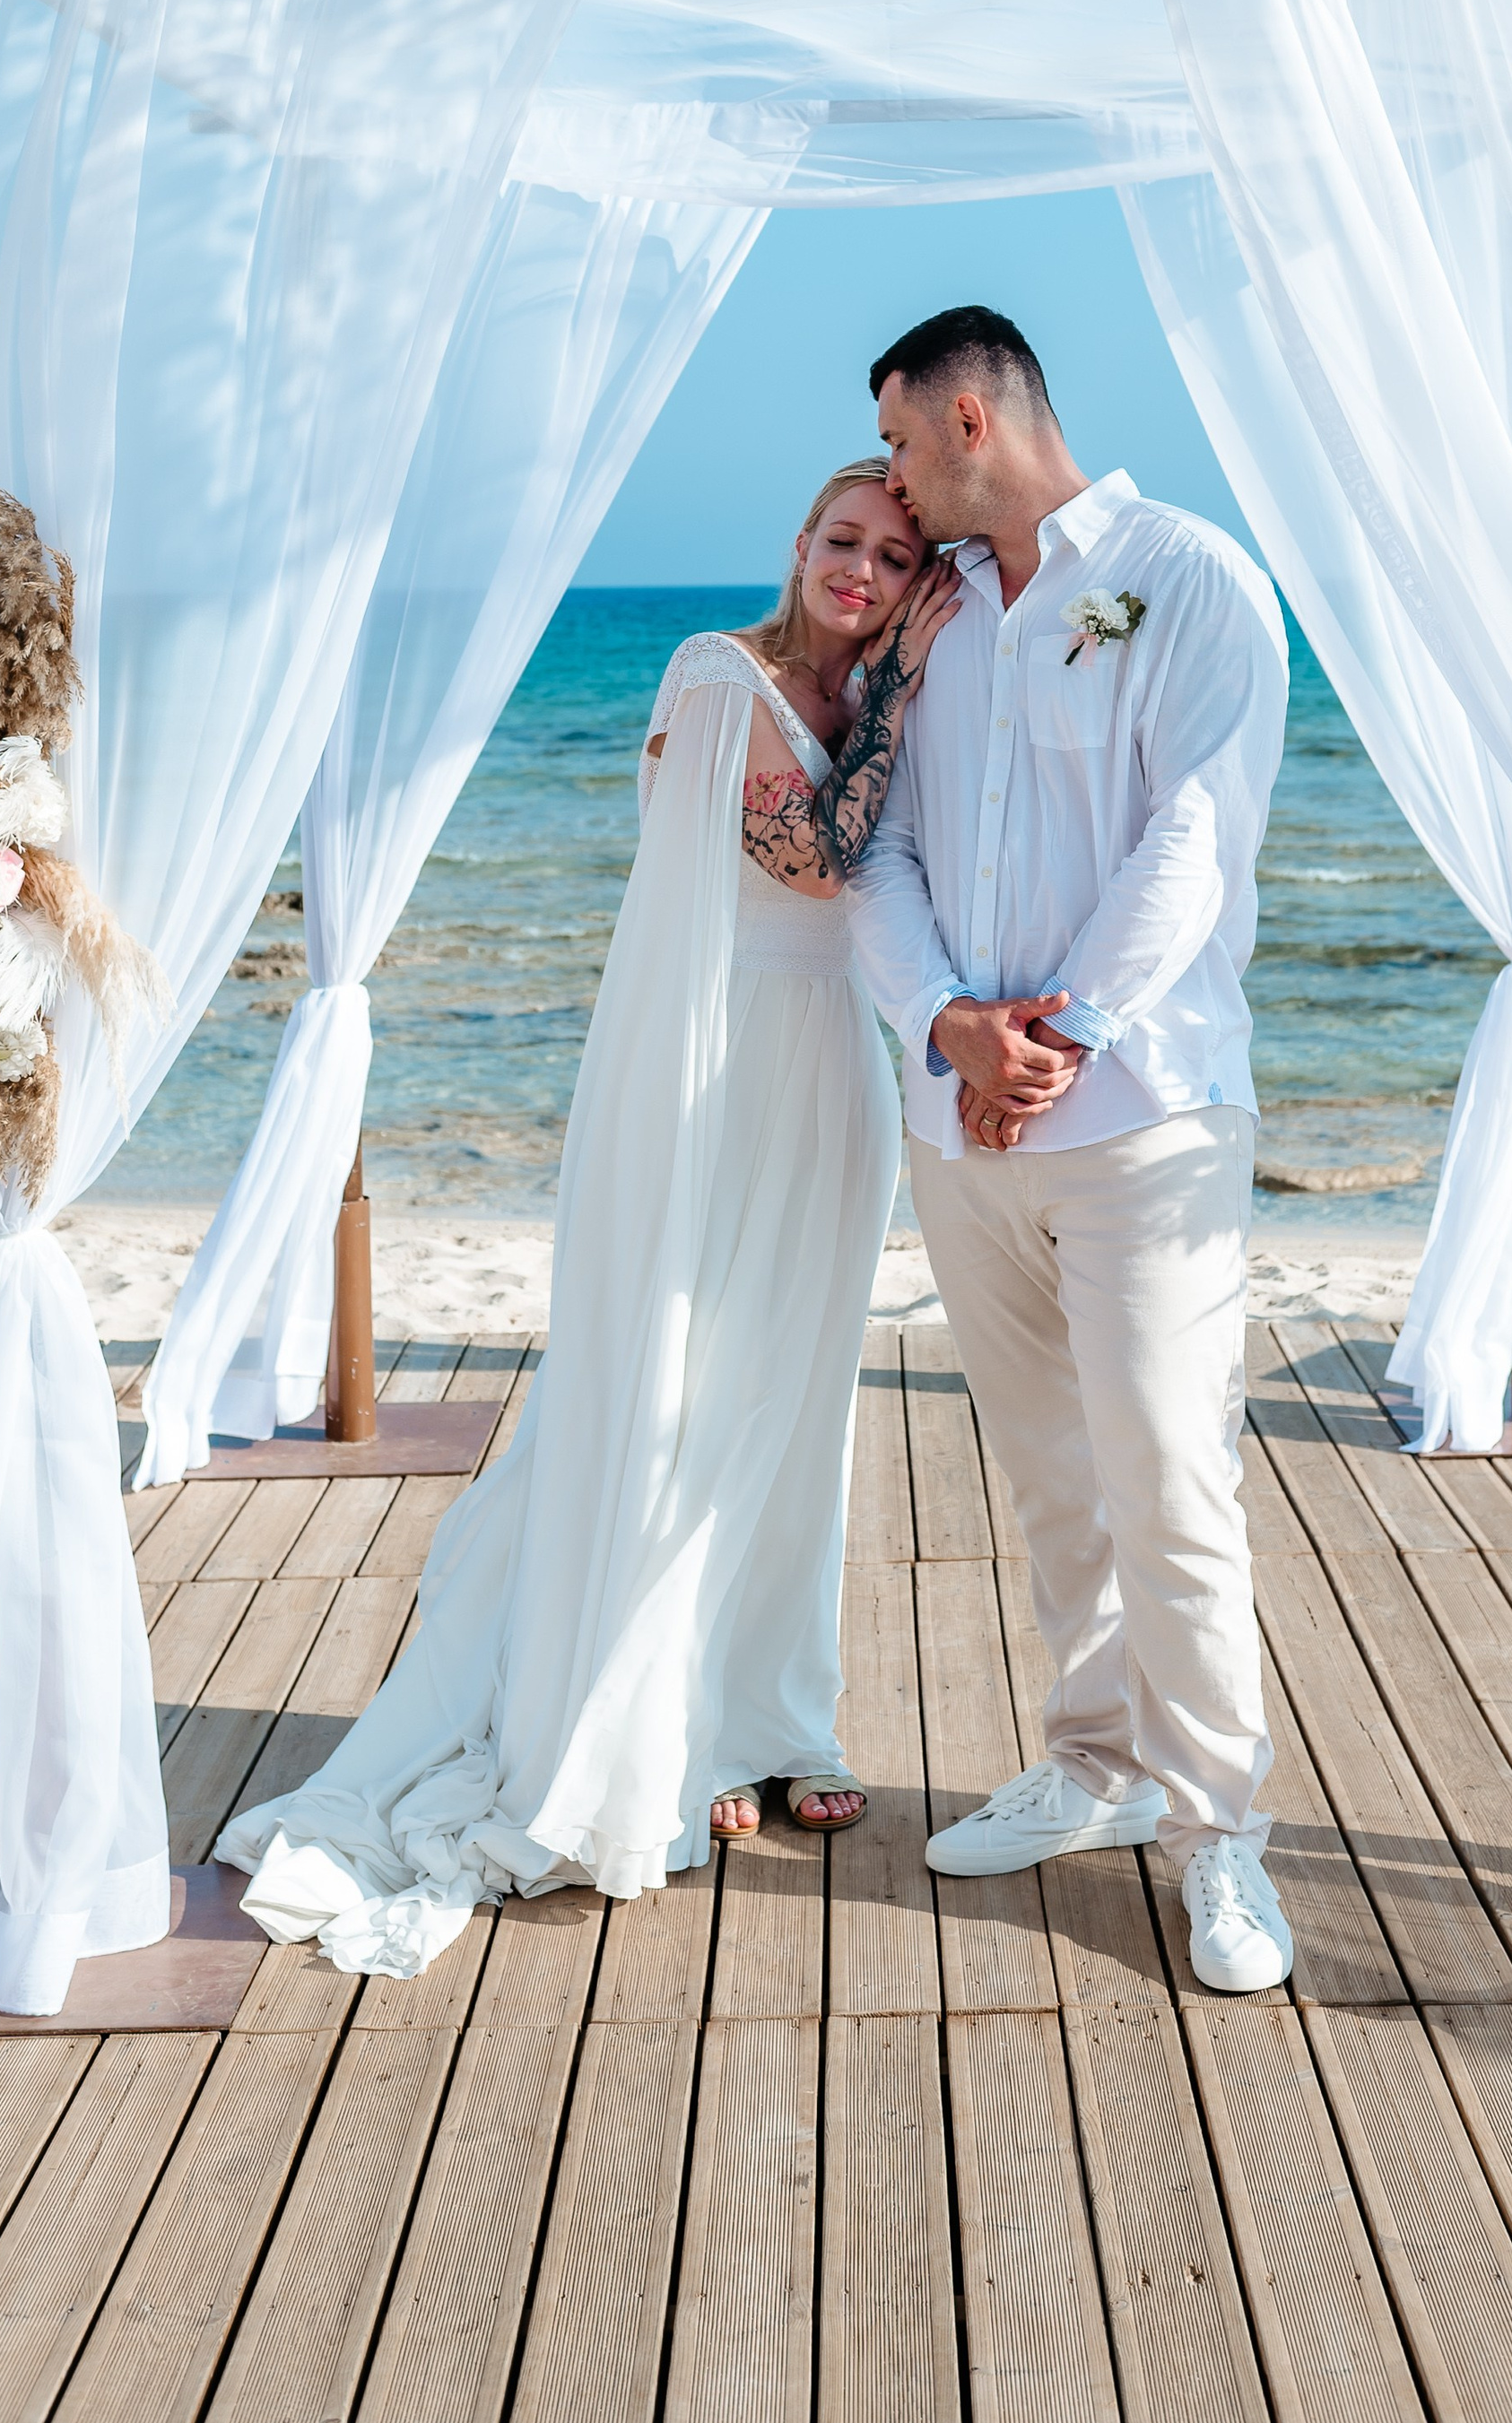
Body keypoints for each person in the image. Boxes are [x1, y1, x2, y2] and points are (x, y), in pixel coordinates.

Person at [217, 457, 958, 1974]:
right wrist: (904, 688)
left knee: (795, 1400)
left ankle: (769, 1712)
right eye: (843, 542)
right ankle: (662, 1722)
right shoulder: (717, 676)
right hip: (707, 1072)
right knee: (681, 1391)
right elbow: (812, 855)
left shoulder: (898, 704)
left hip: (835, 1066)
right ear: (798, 541)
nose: (863, 575)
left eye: (895, 556)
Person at [849, 306, 1296, 1993]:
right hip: (962, 1125)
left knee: (1172, 1475)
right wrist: (951, 1025)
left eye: (901, 443)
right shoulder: (937, 618)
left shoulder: (1192, 580)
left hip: (1147, 1115)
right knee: (1048, 1474)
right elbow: (876, 843)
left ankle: (1220, 1838)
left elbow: (1197, 827)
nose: (892, 479)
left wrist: (1070, 1035)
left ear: (972, 417)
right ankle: (1093, 1763)